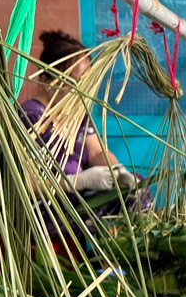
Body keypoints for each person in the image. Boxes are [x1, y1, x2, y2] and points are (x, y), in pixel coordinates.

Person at [21, 30, 137, 195]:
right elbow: (24, 181)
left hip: (80, 198)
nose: (83, 91)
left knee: (133, 191)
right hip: (52, 204)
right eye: (74, 82)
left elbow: (97, 152)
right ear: (46, 81)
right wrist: (76, 182)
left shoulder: (76, 114)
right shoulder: (30, 116)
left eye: (86, 83)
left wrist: (117, 171)